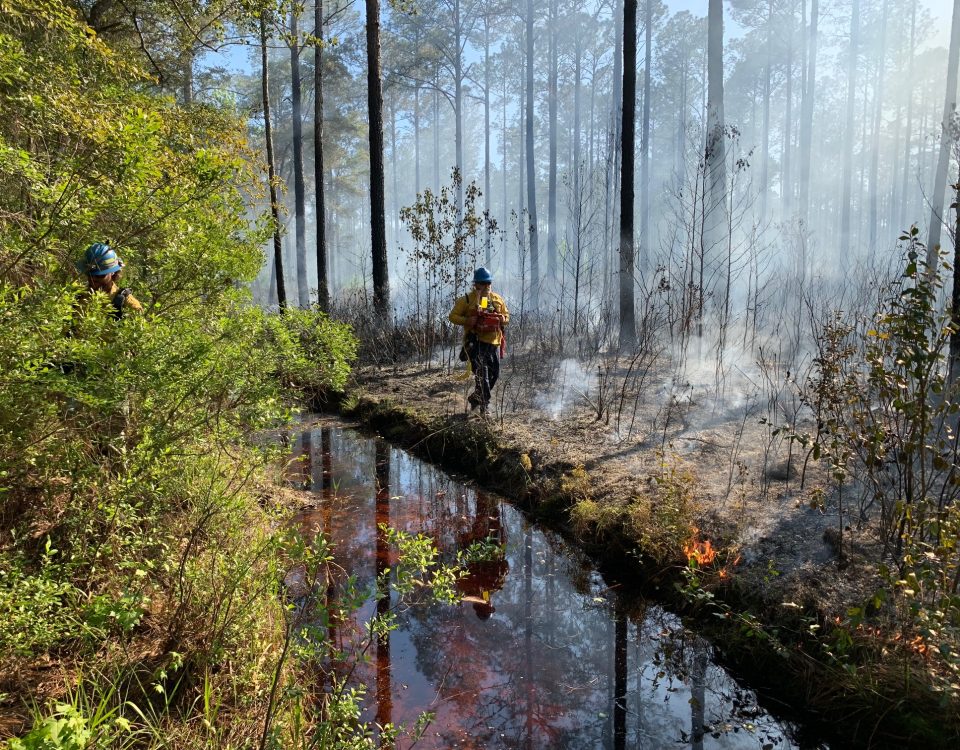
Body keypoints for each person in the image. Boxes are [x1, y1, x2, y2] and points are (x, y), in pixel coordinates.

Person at [448, 267, 509, 415]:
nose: (485, 286)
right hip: (477, 344)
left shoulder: (497, 299)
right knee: (483, 376)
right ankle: (484, 408)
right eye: (481, 283)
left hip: (494, 344)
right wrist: (467, 320)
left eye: (487, 283)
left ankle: (475, 398)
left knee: (494, 375)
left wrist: (502, 319)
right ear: (475, 285)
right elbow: (453, 316)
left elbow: (506, 317)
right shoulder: (467, 300)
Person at [77, 242, 143, 318]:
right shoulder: (77, 295)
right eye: (90, 274)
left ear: (112, 273)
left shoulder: (127, 304)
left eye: (100, 275)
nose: (93, 278)